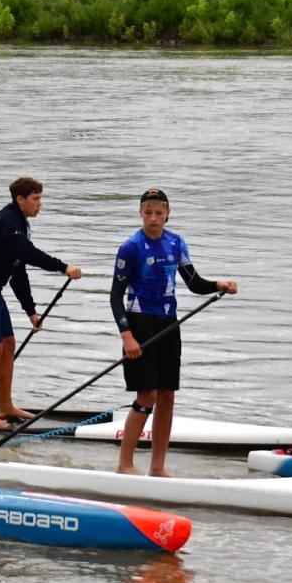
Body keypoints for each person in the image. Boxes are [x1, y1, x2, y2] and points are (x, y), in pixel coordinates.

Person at [111, 188, 238, 477]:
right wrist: (127, 335)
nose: (153, 219)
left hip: (169, 324)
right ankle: (125, 464)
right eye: (148, 213)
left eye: (159, 213)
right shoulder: (131, 247)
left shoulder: (176, 242)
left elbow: (194, 282)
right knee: (147, 395)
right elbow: (115, 296)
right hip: (140, 323)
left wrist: (219, 284)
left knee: (167, 395)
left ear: (167, 214)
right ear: (140, 214)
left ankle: (157, 467)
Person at [0, 177, 83, 429]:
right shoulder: (8, 222)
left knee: (9, 344)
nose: (40, 204)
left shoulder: (20, 224)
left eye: (40, 198)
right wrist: (63, 267)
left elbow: (18, 272)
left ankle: (4, 406)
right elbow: (28, 253)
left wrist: (31, 312)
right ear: (20, 199)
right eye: (35, 199)